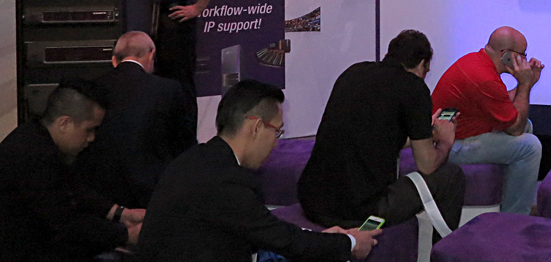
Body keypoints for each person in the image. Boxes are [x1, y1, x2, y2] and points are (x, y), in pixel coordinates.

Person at [137, 80, 381, 262]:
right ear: (256, 127)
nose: (276, 143)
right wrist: (349, 243)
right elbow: (282, 240)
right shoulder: (227, 182)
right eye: (276, 132)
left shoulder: (196, 159)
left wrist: (325, 239)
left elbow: (262, 229)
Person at [0, 79, 144, 262]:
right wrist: (127, 235)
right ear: (64, 123)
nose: (91, 138)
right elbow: (66, 223)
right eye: (89, 129)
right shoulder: (35, 156)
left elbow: (72, 190)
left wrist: (120, 213)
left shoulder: (34, 137)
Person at [298, 30, 465, 235]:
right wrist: (446, 141)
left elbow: (375, 136)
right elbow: (427, 165)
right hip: (361, 213)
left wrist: (426, 133)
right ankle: (442, 251)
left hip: (312, 202)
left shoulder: (353, 73)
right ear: (422, 64)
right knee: (451, 176)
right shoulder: (414, 88)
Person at [75, 31, 197, 208]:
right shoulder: (169, 90)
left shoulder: (92, 88)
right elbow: (185, 145)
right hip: (155, 194)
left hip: (103, 196)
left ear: (114, 60)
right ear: (151, 55)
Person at [431, 26, 544, 214]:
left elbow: (502, 102)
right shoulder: (484, 77)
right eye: (522, 55)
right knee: (530, 147)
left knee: (527, 126)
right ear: (507, 55)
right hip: (450, 145)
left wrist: (527, 83)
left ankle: (507, 201)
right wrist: (524, 84)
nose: (524, 60)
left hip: (459, 134)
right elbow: (515, 128)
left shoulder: (477, 62)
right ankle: (514, 217)